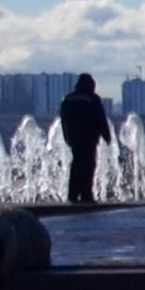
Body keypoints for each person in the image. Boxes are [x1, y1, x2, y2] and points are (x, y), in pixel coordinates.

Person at [57, 72, 110, 207]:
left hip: (74, 138)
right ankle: (86, 194)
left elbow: (63, 120)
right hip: (89, 138)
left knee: (76, 165)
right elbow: (100, 119)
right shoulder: (92, 99)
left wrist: (67, 136)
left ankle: (72, 194)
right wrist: (107, 136)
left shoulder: (68, 99)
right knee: (88, 165)